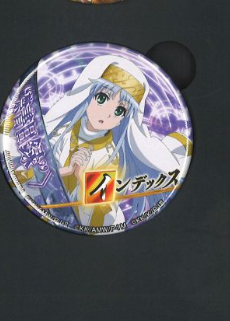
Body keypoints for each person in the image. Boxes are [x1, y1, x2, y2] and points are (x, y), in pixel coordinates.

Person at [13, 53, 190, 230]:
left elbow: (101, 215)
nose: (106, 113)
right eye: (102, 99)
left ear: (123, 120)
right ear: (89, 96)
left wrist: (82, 176)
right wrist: (67, 170)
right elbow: (25, 173)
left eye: (119, 111)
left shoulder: (111, 157)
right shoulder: (61, 133)